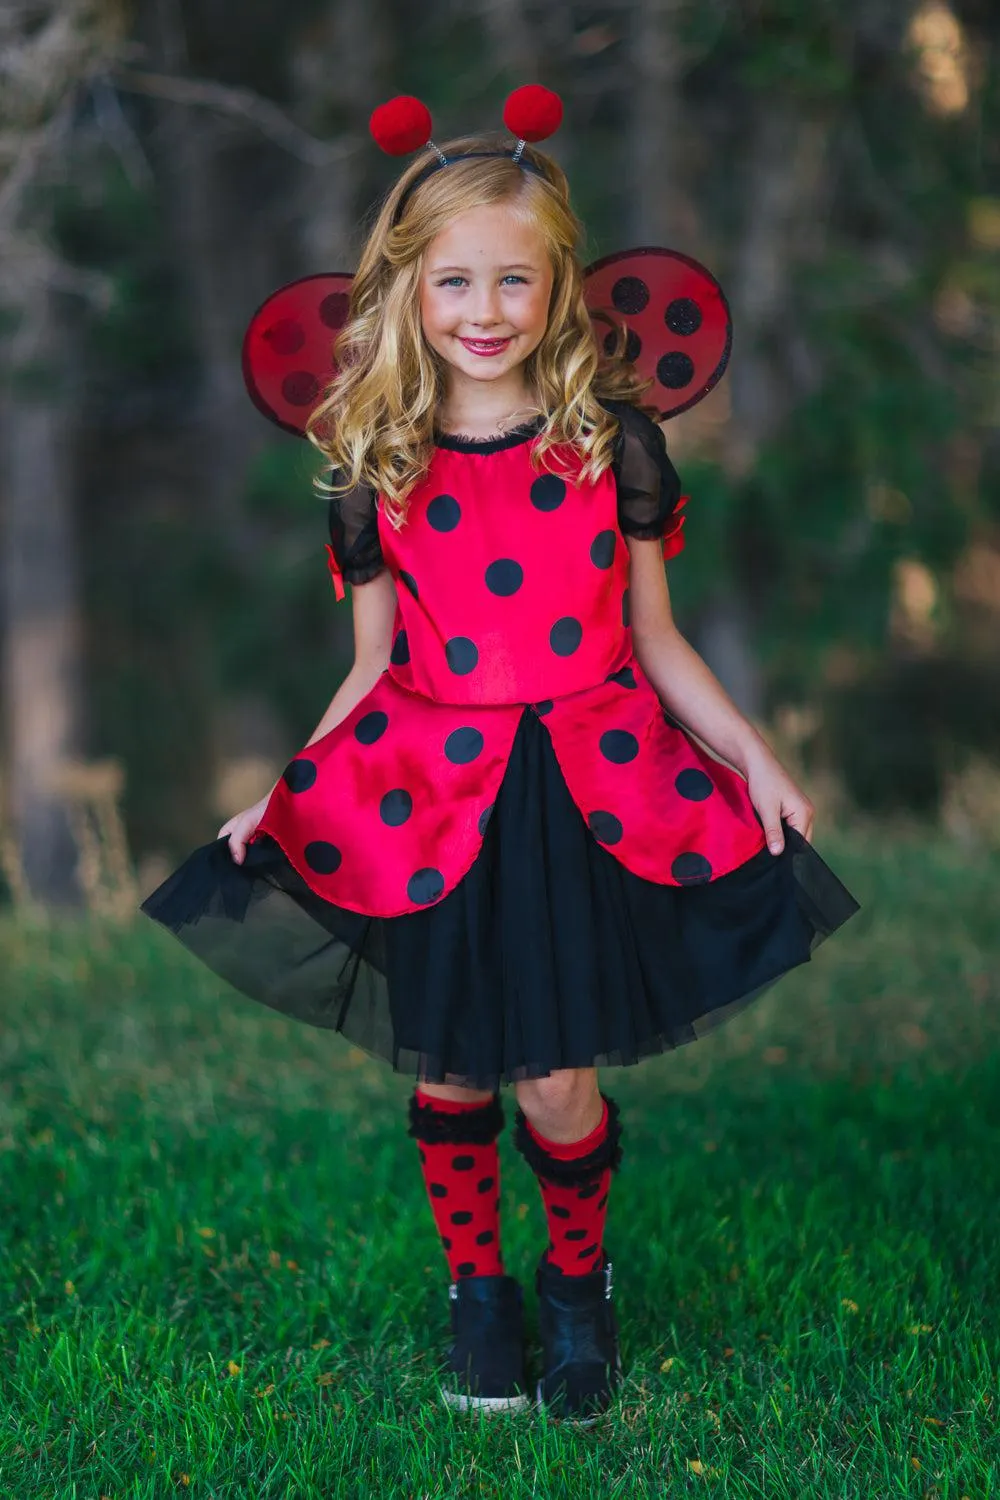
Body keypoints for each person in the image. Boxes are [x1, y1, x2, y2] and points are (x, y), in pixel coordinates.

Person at [142, 87, 858, 1424]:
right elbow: (369, 667)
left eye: (513, 279)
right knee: (458, 1066)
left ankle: (576, 1294)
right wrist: (289, 791)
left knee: (558, 1075)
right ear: (408, 291)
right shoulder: (380, 465)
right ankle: (481, 1291)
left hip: (586, 792)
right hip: (431, 795)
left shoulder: (612, 445)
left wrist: (753, 758)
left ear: (558, 285)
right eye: (455, 280)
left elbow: (656, 636)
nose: (485, 307)